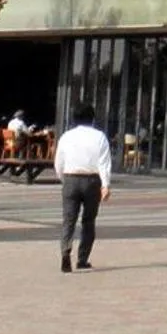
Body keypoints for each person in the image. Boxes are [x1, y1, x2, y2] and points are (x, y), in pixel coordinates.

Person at [54, 103, 113, 274]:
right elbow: (104, 162)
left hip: (71, 178)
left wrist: (63, 178)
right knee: (88, 221)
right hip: (91, 180)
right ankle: (82, 259)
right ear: (92, 118)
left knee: (68, 220)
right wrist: (105, 184)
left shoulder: (66, 136)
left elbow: (59, 162)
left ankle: (65, 252)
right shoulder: (99, 136)